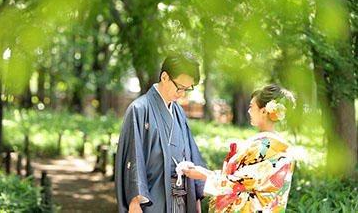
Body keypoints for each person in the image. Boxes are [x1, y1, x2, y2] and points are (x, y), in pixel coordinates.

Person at [115, 52, 207, 213]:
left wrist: (196, 197)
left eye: (187, 89)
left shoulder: (178, 111)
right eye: (180, 87)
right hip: (153, 199)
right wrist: (135, 202)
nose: (182, 94)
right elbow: (133, 158)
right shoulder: (139, 109)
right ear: (164, 77)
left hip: (182, 199)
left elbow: (191, 154)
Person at [182, 85, 295, 213]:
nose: (248, 111)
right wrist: (208, 173)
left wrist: (205, 175)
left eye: (251, 107)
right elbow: (244, 175)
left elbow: (242, 180)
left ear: (264, 111)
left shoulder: (266, 146)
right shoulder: (280, 145)